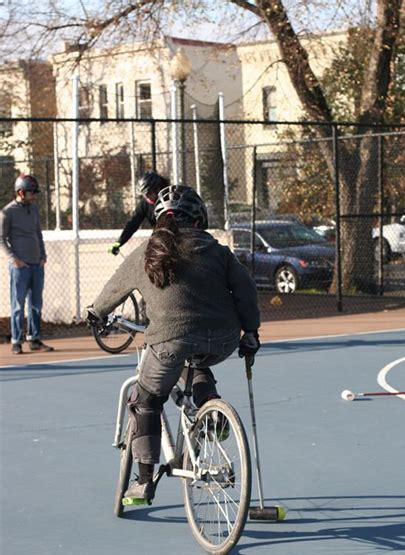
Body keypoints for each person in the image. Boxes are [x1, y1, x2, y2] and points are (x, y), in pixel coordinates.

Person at [87, 185, 261, 502]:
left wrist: (96, 313)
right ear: (198, 221)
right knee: (197, 362)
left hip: (170, 338)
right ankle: (209, 406)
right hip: (221, 339)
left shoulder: (146, 252)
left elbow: (113, 291)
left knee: (146, 401)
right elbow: (246, 292)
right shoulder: (219, 251)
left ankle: (143, 481)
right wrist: (250, 333)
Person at [0, 174, 54, 354]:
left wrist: (43, 256)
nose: (35, 196)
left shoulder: (34, 209)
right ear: (21, 192)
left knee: (36, 304)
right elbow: (1, 239)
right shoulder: (7, 212)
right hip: (19, 268)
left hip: (37, 265)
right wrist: (14, 259)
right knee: (18, 305)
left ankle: (35, 340)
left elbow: (38, 234)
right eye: (32, 192)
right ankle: (16, 341)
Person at [108, 170, 169, 256]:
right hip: (160, 238)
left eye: (149, 193)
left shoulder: (171, 198)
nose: (147, 197)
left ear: (158, 188)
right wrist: (119, 242)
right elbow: (133, 223)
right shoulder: (145, 204)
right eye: (144, 194)